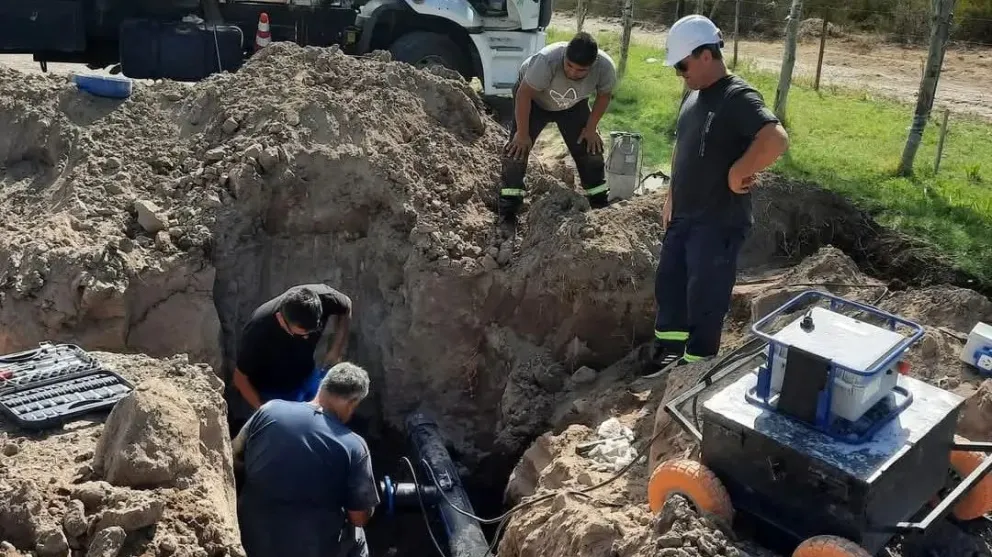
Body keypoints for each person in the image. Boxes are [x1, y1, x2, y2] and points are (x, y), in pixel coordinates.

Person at [641, 15, 789, 378]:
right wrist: (671, 196)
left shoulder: (737, 96)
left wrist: (740, 170)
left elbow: (775, 138)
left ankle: (696, 365)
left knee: (706, 295)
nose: (679, 73)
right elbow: (683, 147)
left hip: (718, 220)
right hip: (686, 213)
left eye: (682, 64)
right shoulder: (694, 96)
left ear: (706, 55)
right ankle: (669, 351)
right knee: (671, 282)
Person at [232, 362, 380, 557]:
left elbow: (232, 456)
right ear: (352, 403)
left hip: (249, 541)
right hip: (310, 549)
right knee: (358, 535)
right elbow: (359, 517)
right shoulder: (354, 446)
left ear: (322, 386)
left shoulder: (269, 410)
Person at [497, 32, 617, 225]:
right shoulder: (547, 61)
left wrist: (591, 128)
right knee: (516, 150)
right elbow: (524, 94)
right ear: (564, 57)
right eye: (569, 65)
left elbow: (604, 95)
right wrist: (521, 133)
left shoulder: (605, 67)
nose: (572, 72)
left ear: (592, 66)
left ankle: (599, 203)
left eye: (581, 70)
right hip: (533, 101)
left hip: (573, 104)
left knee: (590, 147)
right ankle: (508, 209)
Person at [228, 284, 353, 435]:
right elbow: (240, 377)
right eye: (300, 334)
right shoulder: (258, 329)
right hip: (273, 390)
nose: (307, 337)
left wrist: (336, 350)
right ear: (281, 319)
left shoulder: (323, 298)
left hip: (308, 376)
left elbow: (346, 306)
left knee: (318, 427)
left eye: (312, 331)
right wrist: (267, 411)